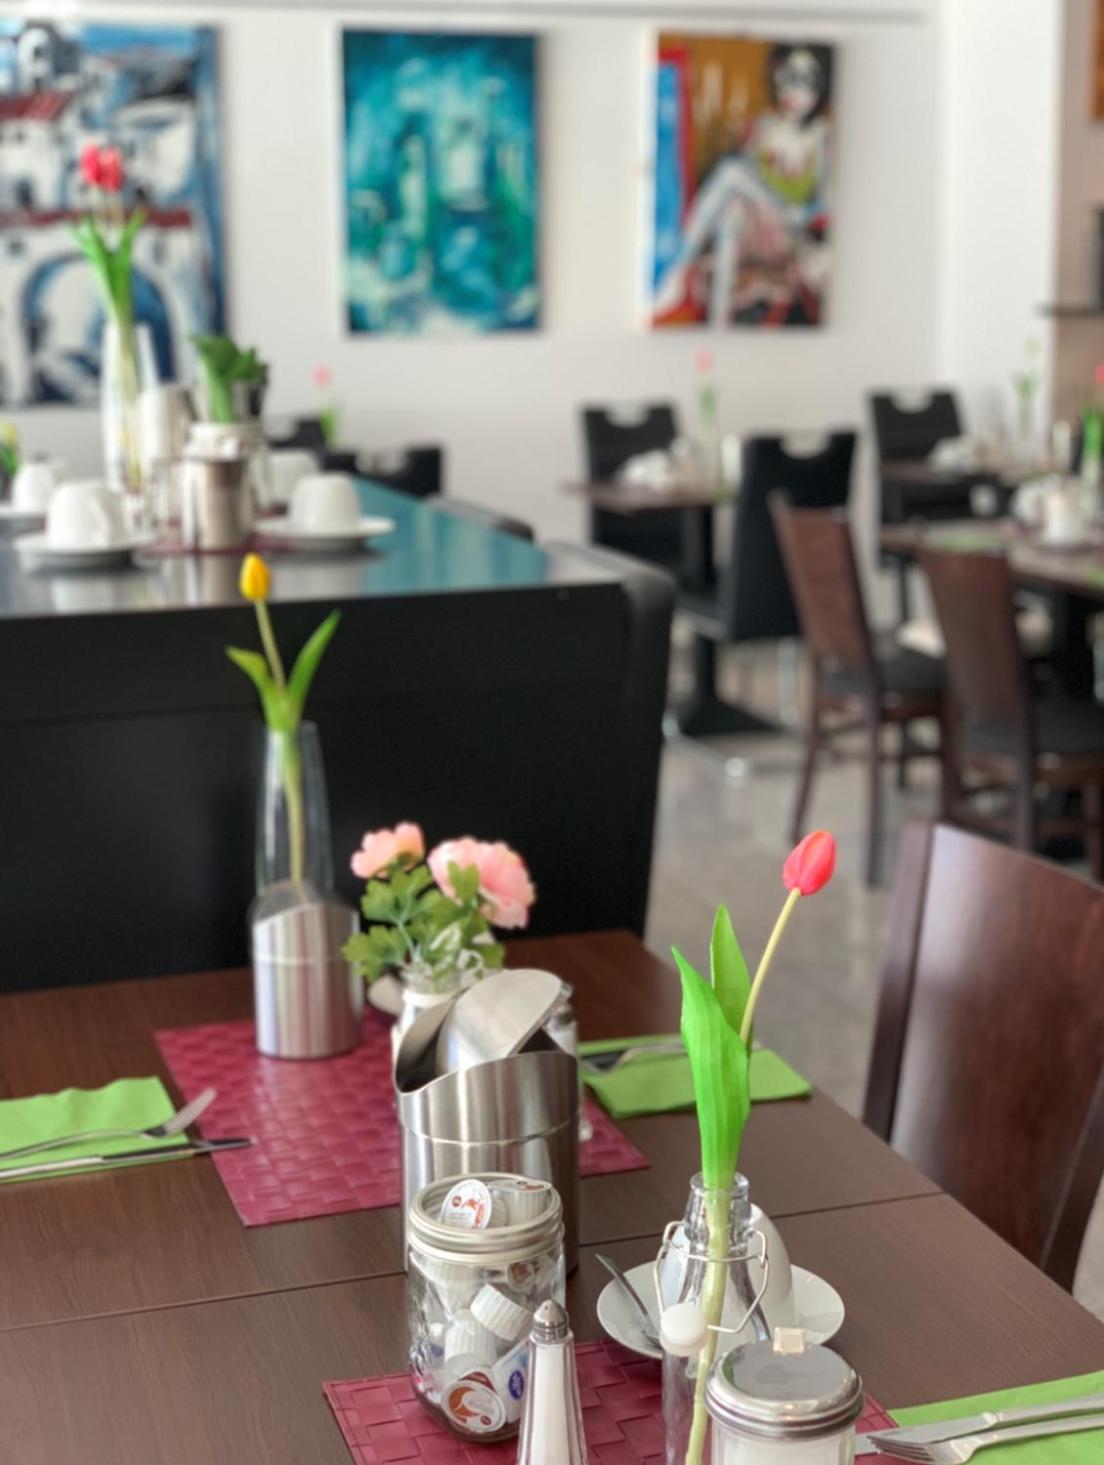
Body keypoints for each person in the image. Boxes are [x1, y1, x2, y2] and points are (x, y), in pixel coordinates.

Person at [654, 44, 832, 328]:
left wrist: (805, 213)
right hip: (755, 227)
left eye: (803, 80)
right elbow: (747, 187)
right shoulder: (763, 126)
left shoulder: (821, 137)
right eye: (785, 78)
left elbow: (825, 202)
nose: (791, 91)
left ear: (820, 86)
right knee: (731, 208)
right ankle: (718, 322)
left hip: (789, 229)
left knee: (731, 172)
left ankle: (677, 267)